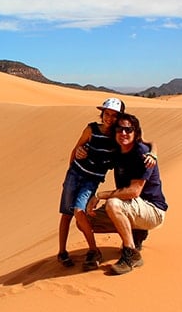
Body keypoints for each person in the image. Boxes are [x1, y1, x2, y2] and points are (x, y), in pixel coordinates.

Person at [57, 98, 157, 270]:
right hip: (74, 175)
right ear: (102, 114)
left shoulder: (118, 137)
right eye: (107, 114)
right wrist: (72, 169)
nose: (109, 118)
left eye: (114, 115)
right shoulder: (92, 129)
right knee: (67, 214)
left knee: (79, 211)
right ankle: (62, 252)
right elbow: (76, 149)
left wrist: (153, 153)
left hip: (92, 180)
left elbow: (149, 143)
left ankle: (94, 250)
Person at [86, 113, 168, 275]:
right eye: (119, 129)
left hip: (153, 211)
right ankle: (136, 233)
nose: (123, 133)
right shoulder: (118, 151)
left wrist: (100, 195)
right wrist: (81, 150)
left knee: (113, 203)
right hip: (132, 207)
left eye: (128, 129)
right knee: (86, 219)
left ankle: (131, 254)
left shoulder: (142, 154)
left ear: (135, 133)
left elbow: (134, 191)